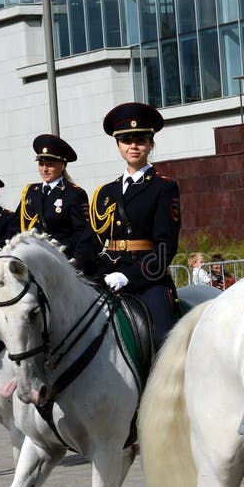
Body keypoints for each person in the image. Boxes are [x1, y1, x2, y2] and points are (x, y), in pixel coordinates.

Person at [90, 102, 181, 350]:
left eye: (140, 140)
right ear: (118, 145)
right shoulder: (107, 192)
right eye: (126, 140)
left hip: (148, 278)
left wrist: (127, 276)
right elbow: (94, 241)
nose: (133, 146)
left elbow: (165, 247)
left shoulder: (164, 187)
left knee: (162, 337)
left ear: (151, 144)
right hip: (107, 271)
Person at [15, 134, 99, 276]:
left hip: (60, 259)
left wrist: (60, 250)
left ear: (63, 165)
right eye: (41, 164)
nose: (44, 169)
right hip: (32, 258)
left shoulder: (73, 193)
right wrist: (1, 248)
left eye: (50, 164)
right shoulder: (30, 192)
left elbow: (81, 232)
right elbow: (15, 225)